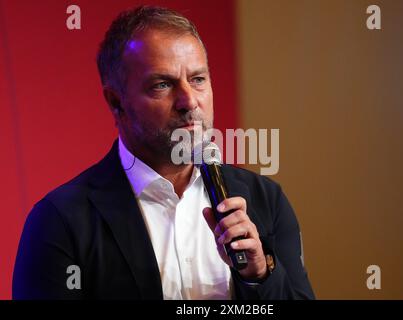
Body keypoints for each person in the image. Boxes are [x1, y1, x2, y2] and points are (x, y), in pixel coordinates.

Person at [12, 6, 314, 300]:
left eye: (198, 79)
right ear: (115, 101)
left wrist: (259, 275)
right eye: (162, 84)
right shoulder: (60, 220)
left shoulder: (265, 199)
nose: (189, 101)